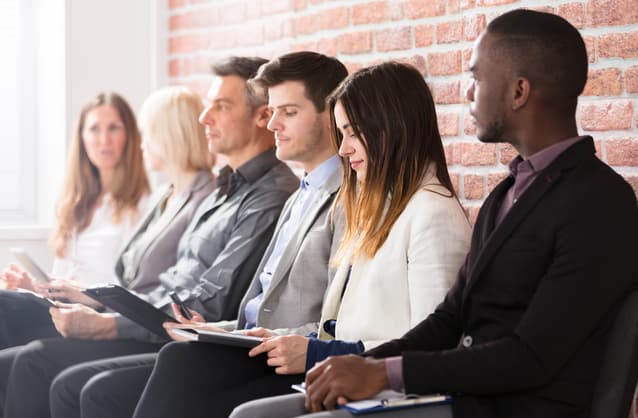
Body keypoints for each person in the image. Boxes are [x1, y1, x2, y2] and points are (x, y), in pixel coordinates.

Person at [236, 9, 638, 418]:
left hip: (512, 408)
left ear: (518, 92)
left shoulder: (599, 203)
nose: (467, 92)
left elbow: (532, 356)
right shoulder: (507, 194)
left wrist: (384, 373)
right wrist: (358, 365)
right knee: (256, 414)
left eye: (477, 78)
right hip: (465, 399)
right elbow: (448, 319)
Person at [0, 56, 300, 418]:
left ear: (260, 116)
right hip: (152, 318)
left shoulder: (265, 194)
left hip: (175, 334)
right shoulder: (225, 188)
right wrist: (93, 299)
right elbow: (169, 286)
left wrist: (107, 321)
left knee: (28, 355)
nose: (204, 118)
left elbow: (208, 303)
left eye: (220, 106)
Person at [135, 60, 472, 418]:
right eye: (343, 134)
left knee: (217, 396)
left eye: (354, 134)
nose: (343, 150)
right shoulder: (379, 211)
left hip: (382, 393)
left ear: (393, 129)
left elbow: (433, 349)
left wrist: (316, 353)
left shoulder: (433, 214)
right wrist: (290, 341)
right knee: (185, 366)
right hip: (341, 373)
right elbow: (336, 323)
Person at [47, 51, 349, 418]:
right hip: (231, 338)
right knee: (75, 374)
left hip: (272, 354)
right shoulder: (296, 193)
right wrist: (211, 329)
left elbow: (330, 318)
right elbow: (250, 305)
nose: (274, 125)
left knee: (96, 383)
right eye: (274, 111)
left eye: (288, 112)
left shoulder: (316, 195)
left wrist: (114, 320)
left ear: (330, 114)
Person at [0, 91, 151, 418]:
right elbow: (57, 279)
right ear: (81, 138)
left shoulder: (142, 205)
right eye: (94, 129)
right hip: (56, 300)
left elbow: (128, 287)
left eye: (114, 128)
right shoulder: (77, 205)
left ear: (130, 136)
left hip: (88, 311)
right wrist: (26, 285)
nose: (103, 139)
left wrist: (62, 294)